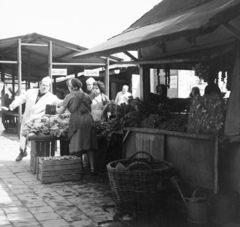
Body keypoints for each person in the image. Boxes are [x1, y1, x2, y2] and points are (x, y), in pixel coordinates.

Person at [9, 77, 60, 161]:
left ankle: (37, 157)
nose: (44, 87)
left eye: (47, 86)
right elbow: (21, 98)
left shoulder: (51, 97)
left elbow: (59, 102)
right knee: (23, 136)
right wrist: (13, 104)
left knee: (36, 138)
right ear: (40, 84)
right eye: (43, 85)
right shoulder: (30, 92)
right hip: (27, 118)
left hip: (38, 122)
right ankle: (22, 152)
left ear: (49, 87)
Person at [56, 78, 98, 175]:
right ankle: (92, 168)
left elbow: (60, 111)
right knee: (89, 144)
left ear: (72, 87)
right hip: (88, 119)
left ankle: (80, 169)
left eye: (69, 86)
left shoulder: (69, 96)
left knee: (77, 143)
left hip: (77, 120)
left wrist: (54, 108)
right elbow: (90, 109)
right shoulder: (86, 95)